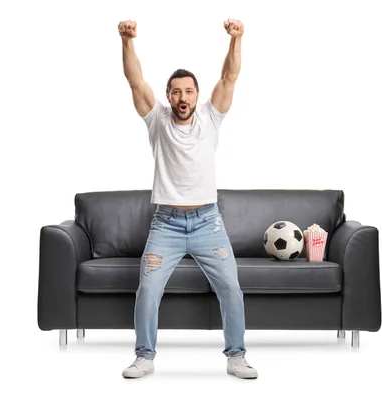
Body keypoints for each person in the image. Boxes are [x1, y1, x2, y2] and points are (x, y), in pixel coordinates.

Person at [118, 18, 257, 380]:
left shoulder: (211, 118)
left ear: (197, 95)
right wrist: (127, 41)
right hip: (166, 223)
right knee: (148, 288)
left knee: (230, 286)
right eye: (176, 92)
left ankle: (236, 356)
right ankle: (144, 356)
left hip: (208, 222)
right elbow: (135, 80)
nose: (183, 98)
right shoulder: (157, 120)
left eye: (189, 92)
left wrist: (236, 40)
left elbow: (229, 78)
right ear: (169, 96)